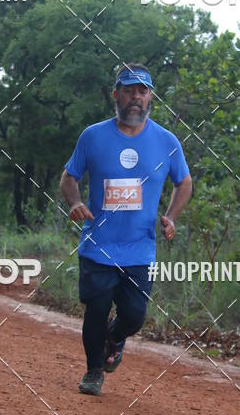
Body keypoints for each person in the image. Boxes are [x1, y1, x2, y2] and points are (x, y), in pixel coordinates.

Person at [60, 64, 192, 396]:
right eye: (129, 90)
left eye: (142, 91)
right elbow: (69, 177)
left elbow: (184, 182)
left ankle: (116, 338)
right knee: (97, 310)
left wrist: (172, 216)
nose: (136, 97)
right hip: (98, 245)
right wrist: (74, 202)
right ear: (116, 94)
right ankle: (93, 370)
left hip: (140, 248)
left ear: (150, 98)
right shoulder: (93, 136)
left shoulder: (166, 141)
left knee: (133, 316)